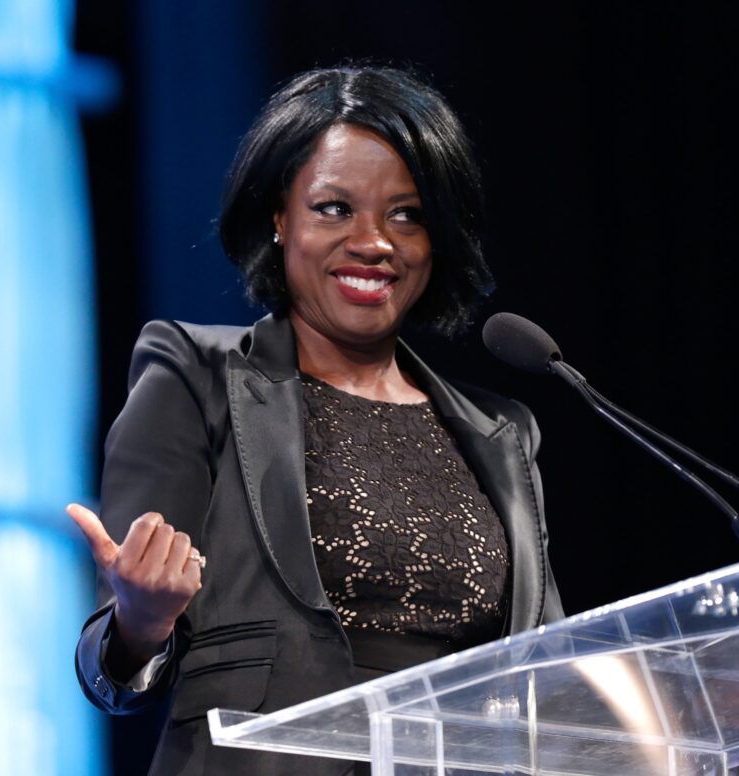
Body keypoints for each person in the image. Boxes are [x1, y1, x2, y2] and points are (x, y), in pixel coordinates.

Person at [70, 64, 565, 776]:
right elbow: (110, 671)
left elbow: (556, 666)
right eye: (335, 208)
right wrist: (139, 622)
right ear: (279, 216)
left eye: (409, 213)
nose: (374, 241)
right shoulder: (197, 374)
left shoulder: (502, 432)